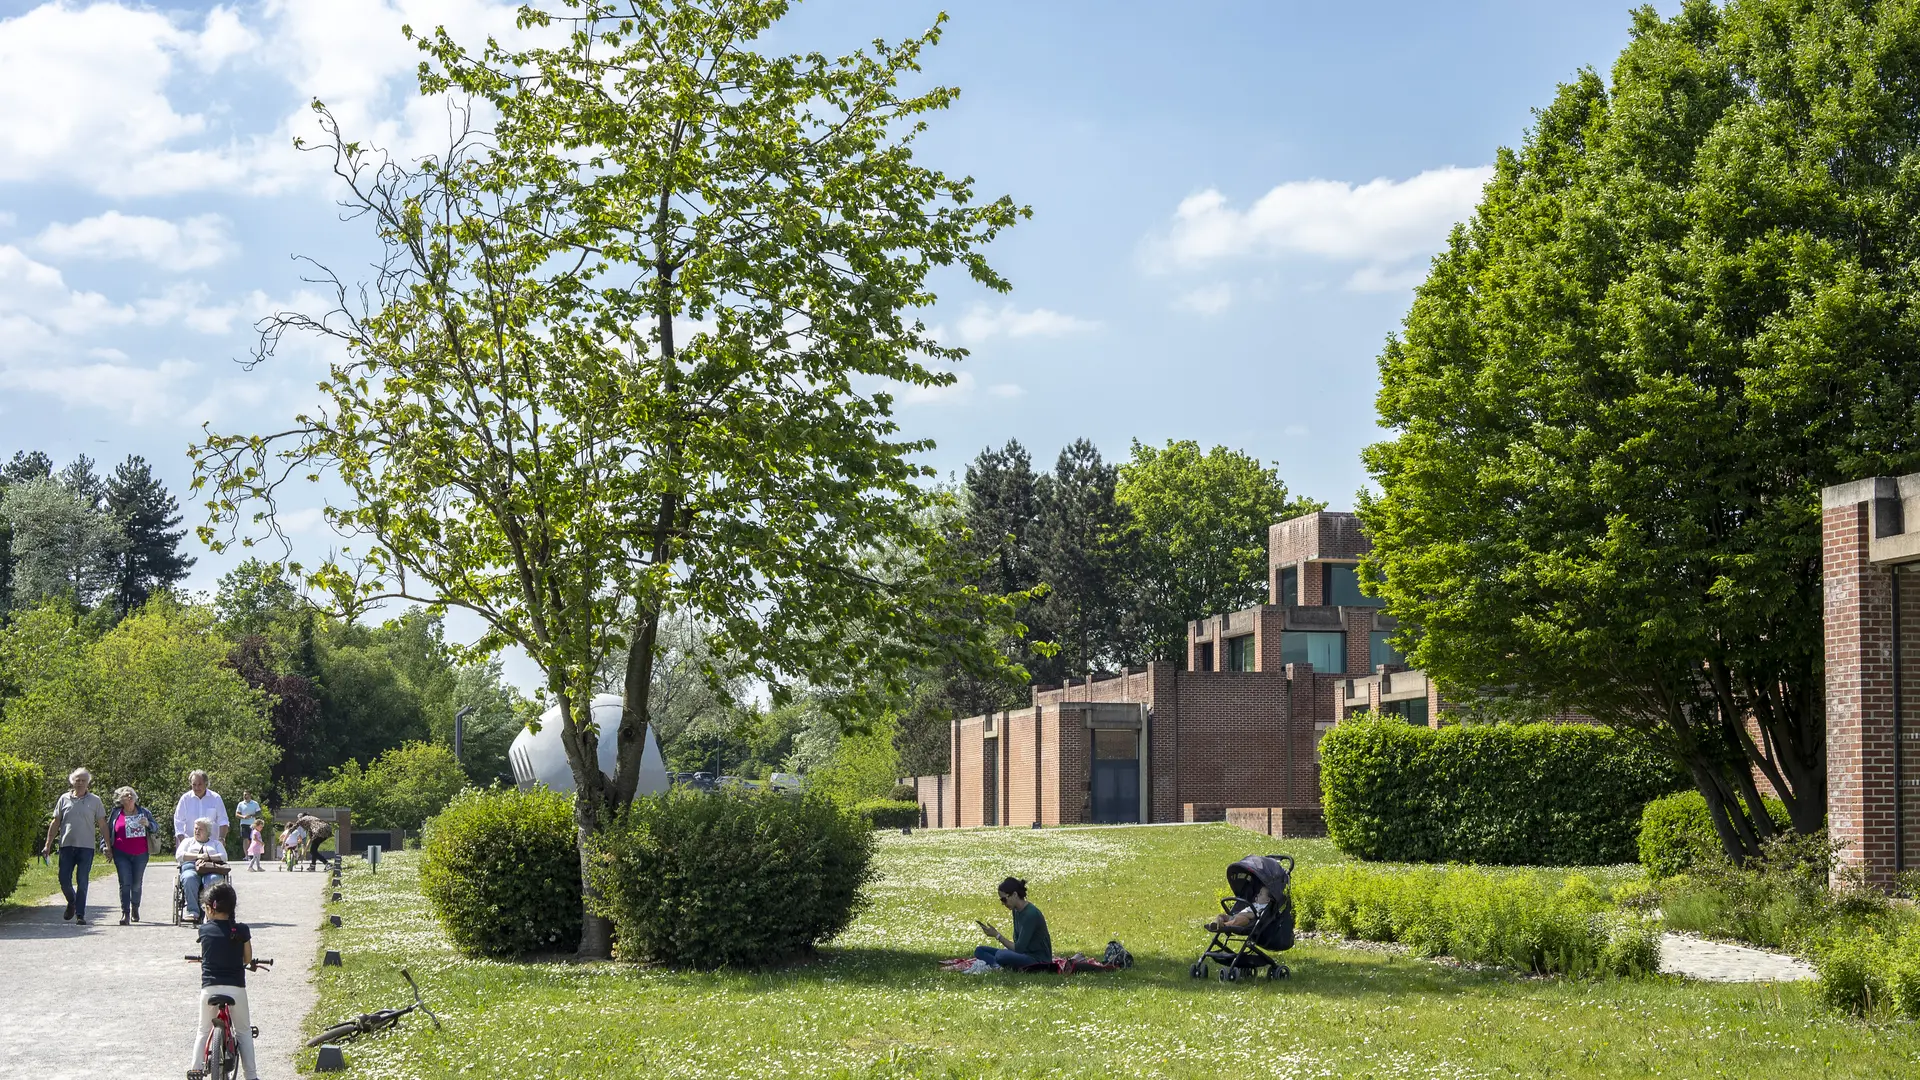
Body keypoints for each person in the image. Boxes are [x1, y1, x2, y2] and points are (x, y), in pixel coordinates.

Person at [187, 881, 260, 1080]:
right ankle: (251, 1076)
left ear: (209, 908)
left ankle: (195, 1068)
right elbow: (247, 959)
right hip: (236, 988)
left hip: (209, 989)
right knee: (244, 1032)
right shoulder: (242, 930)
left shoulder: (204, 930)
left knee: (203, 1029)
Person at [42, 767, 108, 925]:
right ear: (72, 781)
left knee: (82, 880)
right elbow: (56, 822)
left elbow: (102, 824)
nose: (80, 783)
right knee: (64, 879)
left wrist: (108, 845)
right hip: (66, 846)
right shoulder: (64, 799)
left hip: (86, 847)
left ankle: (80, 914)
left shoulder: (95, 800)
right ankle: (72, 901)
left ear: (88, 783)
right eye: (77, 780)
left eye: (83, 780)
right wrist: (48, 844)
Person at [107, 786, 161, 925]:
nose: (129, 797)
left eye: (131, 795)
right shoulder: (116, 813)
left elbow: (156, 827)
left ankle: (135, 907)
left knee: (136, 883)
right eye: (126, 795)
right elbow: (108, 831)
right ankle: (125, 912)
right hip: (121, 853)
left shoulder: (144, 812)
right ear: (121, 799)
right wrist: (105, 847)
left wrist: (148, 824)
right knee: (124, 883)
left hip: (140, 854)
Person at [974, 876, 1053, 969]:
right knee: (979, 950)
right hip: (1023, 954)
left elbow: (1019, 949)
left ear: (1015, 895)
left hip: (1038, 960)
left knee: (1001, 955)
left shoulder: (1030, 914)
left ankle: (997, 965)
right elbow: (1017, 943)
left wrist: (997, 935)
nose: (1003, 903)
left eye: (1004, 899)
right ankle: (998, 965)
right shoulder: (1016, 910)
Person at [176, 818, 229, 923]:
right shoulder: (187, 842)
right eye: (196, 829)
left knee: (214, 879)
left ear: (208, 832)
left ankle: (210, 912)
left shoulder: (216, 843)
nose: (197, 831)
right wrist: (198, 856)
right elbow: (179, 855)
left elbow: (224, 857)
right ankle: (193, 912)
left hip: (211, 867)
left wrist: (208, 857)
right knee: (189, 878)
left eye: (200, 829)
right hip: (191, 866)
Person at [174, 770, 230, 848]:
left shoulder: (216, 798)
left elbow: (223, 821)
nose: (197, 788)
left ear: (206, 784)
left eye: (200, 784)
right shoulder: (185, 799)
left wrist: (221, 839)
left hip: (212, 845)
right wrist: (182, 842)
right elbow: (178, 822)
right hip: (190, 845)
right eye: (194, 785)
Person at [1205, 885, 1275, 934]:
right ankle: (1216, 923)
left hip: (1246, 922)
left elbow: (1253, 915)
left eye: (1261, 894)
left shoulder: (1263, 907)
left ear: (1267, 899)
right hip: (1235, 916)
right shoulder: (1255, 903)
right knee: (1222, 915)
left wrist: (1241, 914)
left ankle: (1224, 925)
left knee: (1243, 919)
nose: (1257, 895)